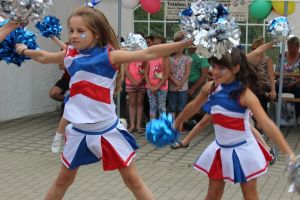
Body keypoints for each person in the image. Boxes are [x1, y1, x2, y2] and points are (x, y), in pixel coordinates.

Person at [15, 6, 192, 199]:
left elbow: (149, 53)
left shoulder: (110, 56)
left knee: (133, 181)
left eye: (80, 31)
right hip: (79, 132)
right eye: (71, 30)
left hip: (108, 131)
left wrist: (185, 42)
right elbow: (43, 57)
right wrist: (24, 51)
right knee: (62, 180)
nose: (73, 35)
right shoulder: (69, 55)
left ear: (96, 34)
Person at [174, 47, 296, 200]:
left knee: (250, 196)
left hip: (244, 151)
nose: (215, 72)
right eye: (214, 66)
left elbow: (266, 124)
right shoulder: (210, 87)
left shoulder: (245, 94)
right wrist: (175, 123)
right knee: (212, 195)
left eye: (221, 68)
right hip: (220, 149)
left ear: (235, 69)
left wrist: (289, 153)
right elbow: (193, 106)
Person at [275, 36, 300, 125]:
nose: (289, 49)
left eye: (292, 47)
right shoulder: (282, 55)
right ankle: (277, 116)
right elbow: (277, 71)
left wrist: (294, 82)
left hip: (296, 83)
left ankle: (297, 116)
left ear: (298, 46)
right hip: (282, 82)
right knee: (273, 88)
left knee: (298, 89)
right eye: (288, 47)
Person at [145, 35, 170, 119]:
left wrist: (157, 87)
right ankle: (153, 126)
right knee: (152, 106)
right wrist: (150, 86)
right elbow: (146, 73)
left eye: (157, 44)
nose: (155, 46)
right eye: (154, 44)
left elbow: (166, 74)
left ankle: (162, 127)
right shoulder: (150, 57)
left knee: (161, 107)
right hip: (150, 87)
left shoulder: (165, 57)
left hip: (162, 87)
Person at [168, 31, 191, 119]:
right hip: (172, 85)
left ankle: (180, 126)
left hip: (183, 86)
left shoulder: (187, 59)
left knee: (181, 107)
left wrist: (180, 83)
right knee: (172, 107)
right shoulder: (169, 59)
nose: (179, 48)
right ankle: (172, 125)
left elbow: (187, 73)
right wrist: (175, 82)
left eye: (181, 46)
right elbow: (168, 73)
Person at [250, 38, 276, 115]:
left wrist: (273, 90)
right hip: (253, 84)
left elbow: (271, 76)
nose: (254, 51)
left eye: (256, 49)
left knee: (260, 95)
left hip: (264, 85)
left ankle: (262, 118)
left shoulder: (267, 60)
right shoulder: (250, 59)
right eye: (253, 49)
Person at [124, 60, 147, 133]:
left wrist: (140, 81)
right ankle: (132, 125)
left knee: (140, 103)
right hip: (130, 83)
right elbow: (126, 70)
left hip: (142, 83)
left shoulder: (144, 58)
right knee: (132, 102)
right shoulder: (130, 57)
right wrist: (133, 81)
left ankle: (138, 125)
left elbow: (147, 70)